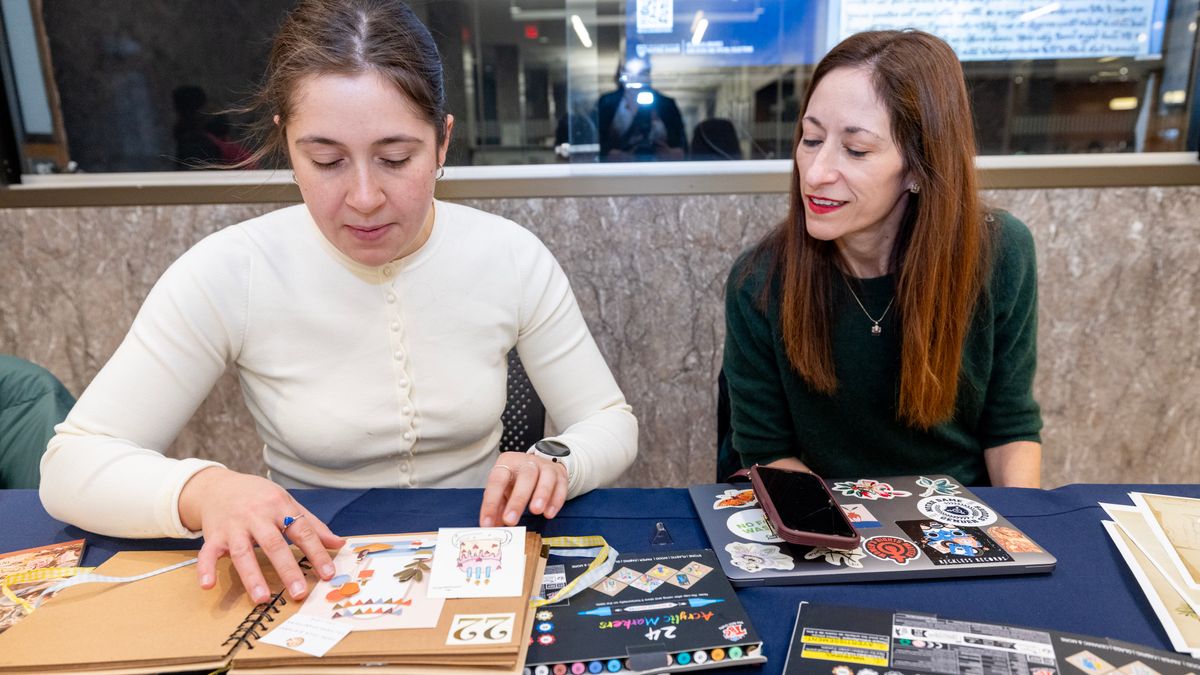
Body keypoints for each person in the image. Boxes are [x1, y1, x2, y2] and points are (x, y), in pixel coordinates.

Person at [40, 0, 637, 606]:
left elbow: (608, 420)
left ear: (442, 143)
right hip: (313, 567)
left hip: (478, 554)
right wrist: (204, 490)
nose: (364, 197)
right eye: (326, 161)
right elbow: (71, 465)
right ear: (288, 144)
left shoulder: (509, 255)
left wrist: (556, 460)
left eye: (396, 158)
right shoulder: (233, 271)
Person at [722, 30, 1041, 488]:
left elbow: (1010, 427)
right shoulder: (759, 280)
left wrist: (1019, 525)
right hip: (828, 514)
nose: (815, 173)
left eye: (856, 150)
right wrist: (849, 527)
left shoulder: (1000, 252)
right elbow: (766, 451)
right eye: (811, 139)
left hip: (963, 512)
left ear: (919, 167)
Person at [595, 56, 686, 161]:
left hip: (661, 165)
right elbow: (594, 142)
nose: (635, 79)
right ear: (621, 73)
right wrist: (610, 154)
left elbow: (682, 144)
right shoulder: (607, 103)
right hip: (617, 168)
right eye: (630, 73)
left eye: (642, 73)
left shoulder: (667, 104)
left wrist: (671, 153)